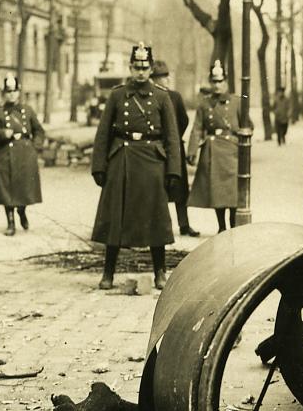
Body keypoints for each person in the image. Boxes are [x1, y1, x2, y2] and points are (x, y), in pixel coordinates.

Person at [90, 42, 182, 291]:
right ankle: (108, 272)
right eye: (136, 67)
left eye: (145, 67)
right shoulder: (117, 95)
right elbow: (103, 133)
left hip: (152, 160)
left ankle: (160, 273)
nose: (140, 72)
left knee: (155, 216)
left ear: (151, 68)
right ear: (130, 67)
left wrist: (173, 170)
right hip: (123, 157)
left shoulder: (162, 97)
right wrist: (99, 165)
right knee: (114, 216)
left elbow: (172, 137)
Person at [0, 75, 45, 235]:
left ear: (19, 92)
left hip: (25, 154)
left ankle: (22, 211)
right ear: (4, 93)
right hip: (5, 154)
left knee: (24, 187)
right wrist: (3, 133)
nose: (11, 94)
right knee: (6, 188)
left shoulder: (28, 110)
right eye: (8, 91)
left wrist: (34, 146)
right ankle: (10, 223)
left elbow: (39, 130)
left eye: (14, 91)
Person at [187, 60, 241, 233]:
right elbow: (197, 128)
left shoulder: (236, 102)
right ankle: (222, 227)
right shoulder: (205, 104)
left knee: (232, 193)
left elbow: (248, 125)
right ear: (210, 83)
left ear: (225, 82)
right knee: (217, 192)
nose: (217, 85)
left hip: (232, 151)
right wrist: (192, 151)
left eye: (220, 81)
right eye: (214, 82)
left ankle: (233, 225)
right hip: (213, 150)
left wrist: (240, 137)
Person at [150, 58, 197, 237]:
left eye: (166, 76)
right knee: (158, 189)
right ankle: (159, 226)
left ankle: (184, 225)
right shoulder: (151, 97)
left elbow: (184, 120)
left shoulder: (175, 96)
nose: (166, 80)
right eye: (161, 77)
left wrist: (174, 137)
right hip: (157, 149)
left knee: (180, 189)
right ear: (153, 79)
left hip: (175, 149)